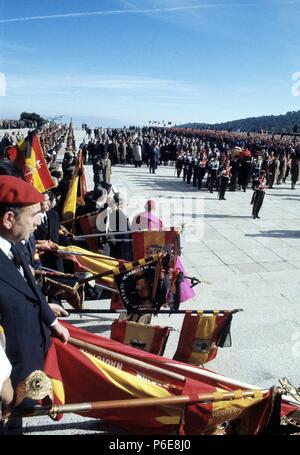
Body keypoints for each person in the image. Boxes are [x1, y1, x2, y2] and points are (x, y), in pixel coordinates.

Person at [0, 175, 69, 434]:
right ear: (9, 219)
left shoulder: (13, 246)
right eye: (32, 216)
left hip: (21, 375)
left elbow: (30, 287)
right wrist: (2, 381)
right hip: (5, 385)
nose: (39, 222)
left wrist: (50, 320)